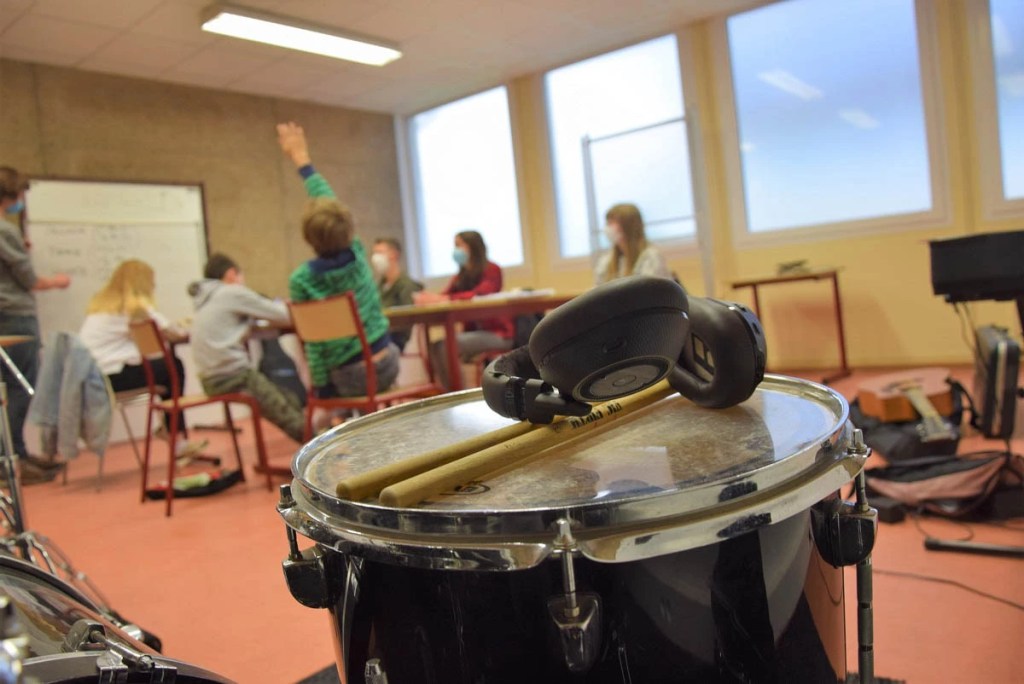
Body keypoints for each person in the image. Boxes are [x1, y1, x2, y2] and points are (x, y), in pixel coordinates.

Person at [277, 121, 400, 400]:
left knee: (331, 383)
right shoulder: (357, 253)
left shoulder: (302, 279)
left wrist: (321, 389)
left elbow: (315, 344)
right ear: (348, 227)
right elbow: (327, 201)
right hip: (388, 363)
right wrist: (302, 159)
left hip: (350, 377)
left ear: (308, 237)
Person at [78, 259, 206, 458]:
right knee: (174, 366)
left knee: (169, 368)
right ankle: (174, 434)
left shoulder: (102, 306)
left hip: (96, 378)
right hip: (112, 378)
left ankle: (171, 430)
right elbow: (170, 333)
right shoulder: (134, 307)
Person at [0, 166, 71, 482]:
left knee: (7, 389)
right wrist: (57, 281)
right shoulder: (5, 230)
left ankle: (15, 455)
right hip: (14, 315)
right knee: (20, 388)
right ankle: (14, 458)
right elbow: (28, 280)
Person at [188, 253, 306, 443]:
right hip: (232, 375)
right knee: (283, 409)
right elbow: (284, 315)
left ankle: (312, 442)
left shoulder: (204, 300)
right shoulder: (231, 292)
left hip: (210, 379)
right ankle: (319, 453)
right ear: (231, 274)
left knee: (288, 398)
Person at [414, 230, 514, 390]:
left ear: (473, 247)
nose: (456, 250)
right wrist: (429, 298)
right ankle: (451, 392)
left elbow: (480, 293)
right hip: (475, 333)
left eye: (459, 245)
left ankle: (458, 393)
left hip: (498, 333)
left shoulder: (492, 269)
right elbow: (446, 295)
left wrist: (445, 299)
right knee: (436, 346)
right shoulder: (461, 276)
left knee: (445, 346)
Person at [594, 203, 674, 286]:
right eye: (607, 223)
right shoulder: (606, 262)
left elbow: (651, 293)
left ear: (628, 226)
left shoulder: (651, 257)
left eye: (612, 222)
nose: (608, 228)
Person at [371, 237, 423, 351]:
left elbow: (408, 320)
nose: (375, 258)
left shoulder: (407, 285)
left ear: (394, 255)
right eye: (374, 253)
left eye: (380, 253)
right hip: (378, 335)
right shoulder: (378, 286)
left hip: (396, 339)